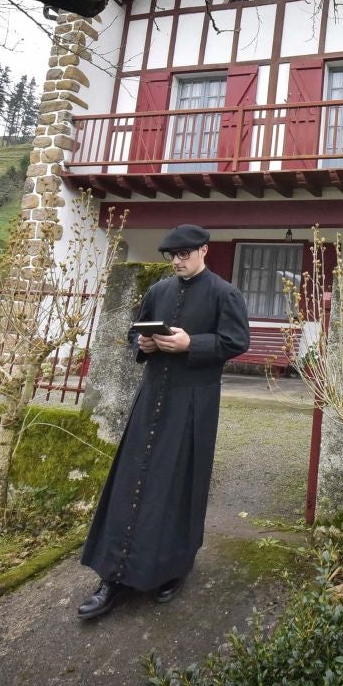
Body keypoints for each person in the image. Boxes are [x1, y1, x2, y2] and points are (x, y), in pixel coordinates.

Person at [77, 224, 250, 619]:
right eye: (171, 255)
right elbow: (134, 335)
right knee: (129, 482)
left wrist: (194, 343)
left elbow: (237, 341)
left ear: (204, 251)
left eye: (184, 253)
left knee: (178, 485)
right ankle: (113, 575)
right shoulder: (158, 291)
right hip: (152, 396)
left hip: (193, 403)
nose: (177, 260)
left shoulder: (225, 293)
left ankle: (174, 568)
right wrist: (144, 343)